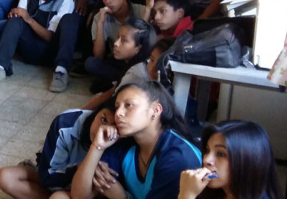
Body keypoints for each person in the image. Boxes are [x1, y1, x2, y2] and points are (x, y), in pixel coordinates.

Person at [71, 81, 202, 199]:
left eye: (129, 105)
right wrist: (97, 147)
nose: (118, 113)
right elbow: (79, 196)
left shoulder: (178, 155)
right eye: (117, 107)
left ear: (155, 110)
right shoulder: (126, 142)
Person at [0, 100, 116, 199]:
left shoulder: (123, 144)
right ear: (95, 113)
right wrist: (82, 168)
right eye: (103, 119)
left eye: (112, 129)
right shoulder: (66, 122)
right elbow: (47, 177)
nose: (102, 131)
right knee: (5, 176)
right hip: (61, 178)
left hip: (83, 192)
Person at [179, 120, 282, 199]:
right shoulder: (214, 192)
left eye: (220, 154)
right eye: (207, 150)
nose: (206, 160)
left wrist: (186, 196)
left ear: (246, 160)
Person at [87, 0, 148, 93]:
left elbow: (145, 43)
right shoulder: (100, 16)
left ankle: (122, 81)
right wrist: (100, 23)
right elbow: (98, 55)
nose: (107, 1)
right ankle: (125, 80)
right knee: (91, 63)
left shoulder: (141, 11)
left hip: (138, 61)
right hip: (118, 61)